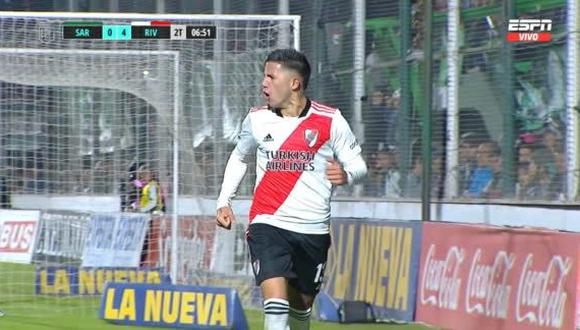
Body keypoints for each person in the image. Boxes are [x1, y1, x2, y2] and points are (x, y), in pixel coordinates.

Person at [215, 48, 367, 330]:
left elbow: (359, 166)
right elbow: (239, 157)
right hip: (268, 223)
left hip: (313, 230)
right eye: (264, 76)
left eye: (271, 77)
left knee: (301, 312)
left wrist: (346, 174)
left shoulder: (330, 119)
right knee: (276, 308)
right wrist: (224, 201)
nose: (264, 83)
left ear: (294, 83)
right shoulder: (257, 119)